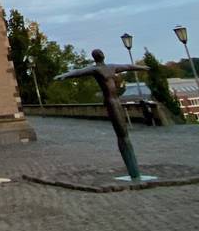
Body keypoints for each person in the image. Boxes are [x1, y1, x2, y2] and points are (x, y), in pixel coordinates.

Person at [56, 49, 147, 179]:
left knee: (124, 132)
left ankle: (134, 170)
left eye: (100, 52)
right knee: (122, 134)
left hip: (117, 100)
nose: (100, 54)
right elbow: (79, 72)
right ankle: (133, 171)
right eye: (97, 53)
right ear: (97, 57)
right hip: (110, 101)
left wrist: (142, 67)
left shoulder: (112, 67)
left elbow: (128, 66)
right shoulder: (96, 69)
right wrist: (65, 75)